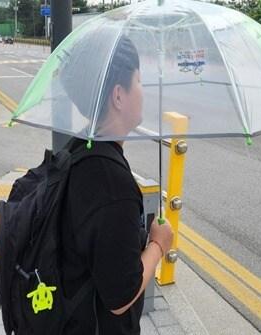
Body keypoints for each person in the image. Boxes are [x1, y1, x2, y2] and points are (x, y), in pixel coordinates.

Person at [59, 33, 174, 334]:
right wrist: (158, 245)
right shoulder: (112, 187)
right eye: (139, 81)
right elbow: (121, 297)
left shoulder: (80, 145)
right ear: (118, 96)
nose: (143, 91)